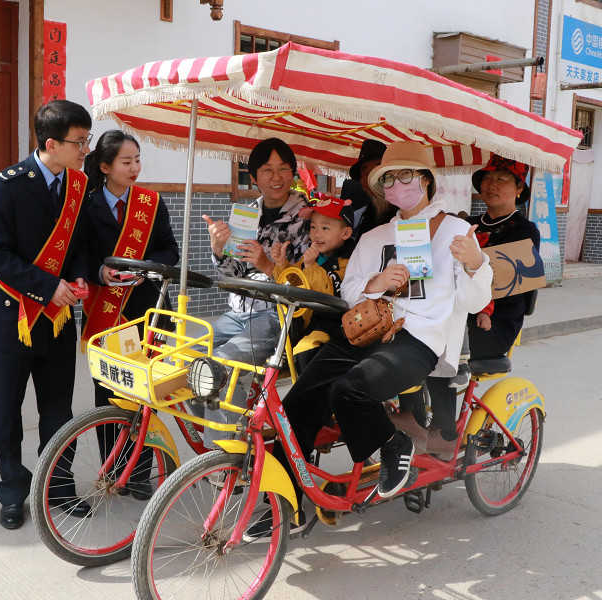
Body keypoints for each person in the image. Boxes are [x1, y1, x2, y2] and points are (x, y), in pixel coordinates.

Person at [244, 141, 492, 540]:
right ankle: (284, 502)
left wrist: (476, 263)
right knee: (296, 405)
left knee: (349, 390)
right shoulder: (376, 236)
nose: (398, 185)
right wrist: (378, 282)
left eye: (406, 175)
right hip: (366, 331)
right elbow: (349, 292)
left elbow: (473, 301)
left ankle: (394, 445)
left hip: (418, 339)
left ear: (426, 180)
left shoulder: (456, 231)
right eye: (389, 179)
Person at [0, 100, 93, 530]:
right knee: (8, 409)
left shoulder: (78, 185)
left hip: (58, 319)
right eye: (79, 142)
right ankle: (12, 491)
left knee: (58, 408)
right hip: (16, 318)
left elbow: (78, 244)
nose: (85, 150)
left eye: (87, 140)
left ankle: (57, 486)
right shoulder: (5, 185)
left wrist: (78, 276)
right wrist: (46, 287)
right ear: (51, 144)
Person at [81, 130, 179, 499]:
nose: (135, 167)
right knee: (108, 391)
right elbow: (78, 254)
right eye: (127, 161)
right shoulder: (86, 205)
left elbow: (170, 250)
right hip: (106, 312)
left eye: (137, 160)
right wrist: (100, 272)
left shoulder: (150, 203)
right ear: (105, 166)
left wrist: (146, 268)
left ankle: (139, 473)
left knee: (143, 392)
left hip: (148, 310)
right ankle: (112, 469)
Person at [421, 155, 540, 456]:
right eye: (487, 178)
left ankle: (444, 431)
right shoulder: (463, 224)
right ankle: (413, 417)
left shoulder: (525, 230)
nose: (492, 184)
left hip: (495, 324)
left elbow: (505, 283)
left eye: (502, 179)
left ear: (519, 189)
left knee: (437, 343)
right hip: (454, 313)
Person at [199, 137, 310, 448]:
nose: (276, 177)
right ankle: (223, 435)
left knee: (224, 364)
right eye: (267, 170)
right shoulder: (246, 215)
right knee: (187, 360)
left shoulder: (307, 219)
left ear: (293, 173)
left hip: (277, 317)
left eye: (283, 169)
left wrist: (267, 265)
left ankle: (224, 458)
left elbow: (307, 284)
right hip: (237, 312)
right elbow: (233, 274)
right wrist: (218, 249)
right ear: (253, 177)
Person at [270, 196, 354, 373]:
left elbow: (328, 296)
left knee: (306, 350)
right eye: (313, 227)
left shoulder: (349, 262)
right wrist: (281, 264)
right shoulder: (312, 257)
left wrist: (311, 266)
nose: (316, 234)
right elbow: (293, 282)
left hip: (332, 325)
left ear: (346, 233)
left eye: (325, 228)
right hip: (303, 321)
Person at [340, 140, 395, 243]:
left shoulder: (407, 212)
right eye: (368, 173)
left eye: (379, 169)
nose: (375, 177)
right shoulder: (359, 218)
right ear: (362, 185)